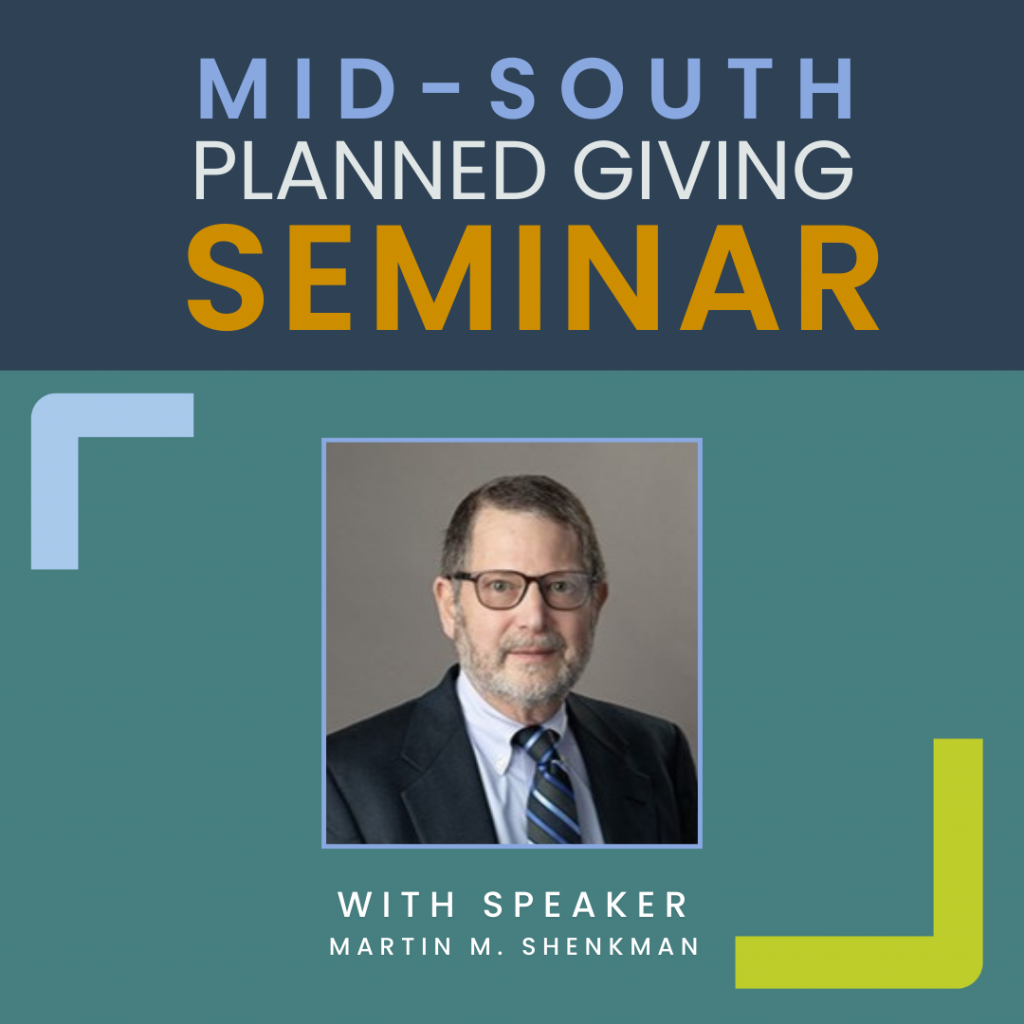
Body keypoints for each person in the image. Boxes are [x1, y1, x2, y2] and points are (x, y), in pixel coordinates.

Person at [325, 474, 698, 845]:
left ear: (595, 603)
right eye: (500, 586)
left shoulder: (658, 753)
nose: (534, 618)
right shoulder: (343, 779)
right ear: (450, 606)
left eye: (561, 585)